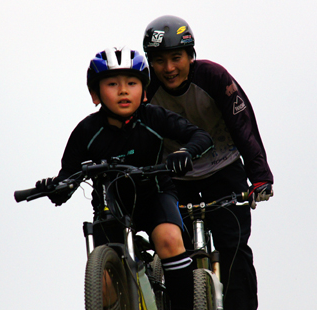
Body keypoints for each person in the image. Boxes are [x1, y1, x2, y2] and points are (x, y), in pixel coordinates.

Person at [35, 47, 213, 310]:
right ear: (95, 95)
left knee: (169, 240)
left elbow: (202, 137)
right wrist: (54, 187)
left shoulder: (153, 116)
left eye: (132, 83)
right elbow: (67, 182)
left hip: (155, 197)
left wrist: (185, 152)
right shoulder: (86, 131)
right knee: (105, 287)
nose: (123, 90)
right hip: (112, 209)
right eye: (112, 84)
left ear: (144, 91)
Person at [142, 15, 275, 309]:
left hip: (224, 167)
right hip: (176, 177)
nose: (169, 68)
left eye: (176, 58)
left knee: (234, 250)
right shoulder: (146, 90)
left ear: (191, 56)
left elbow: (244, 126)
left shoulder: (213, 77)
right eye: (160, 60)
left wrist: (261, 177)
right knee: (178, 254)